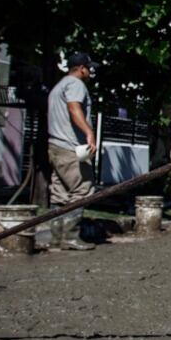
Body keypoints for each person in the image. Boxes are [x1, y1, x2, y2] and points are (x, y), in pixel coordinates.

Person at [47, 51, 99, 251]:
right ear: (81, 68)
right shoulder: (76, 85)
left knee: (60, 192)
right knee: (82, 188)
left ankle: (56, 238)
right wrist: (89, 133)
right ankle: (70, 236)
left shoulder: (58, 87)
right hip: (71, 147)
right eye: (89, 68)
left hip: (56, 146)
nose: (90, 71)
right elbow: (74, 108)